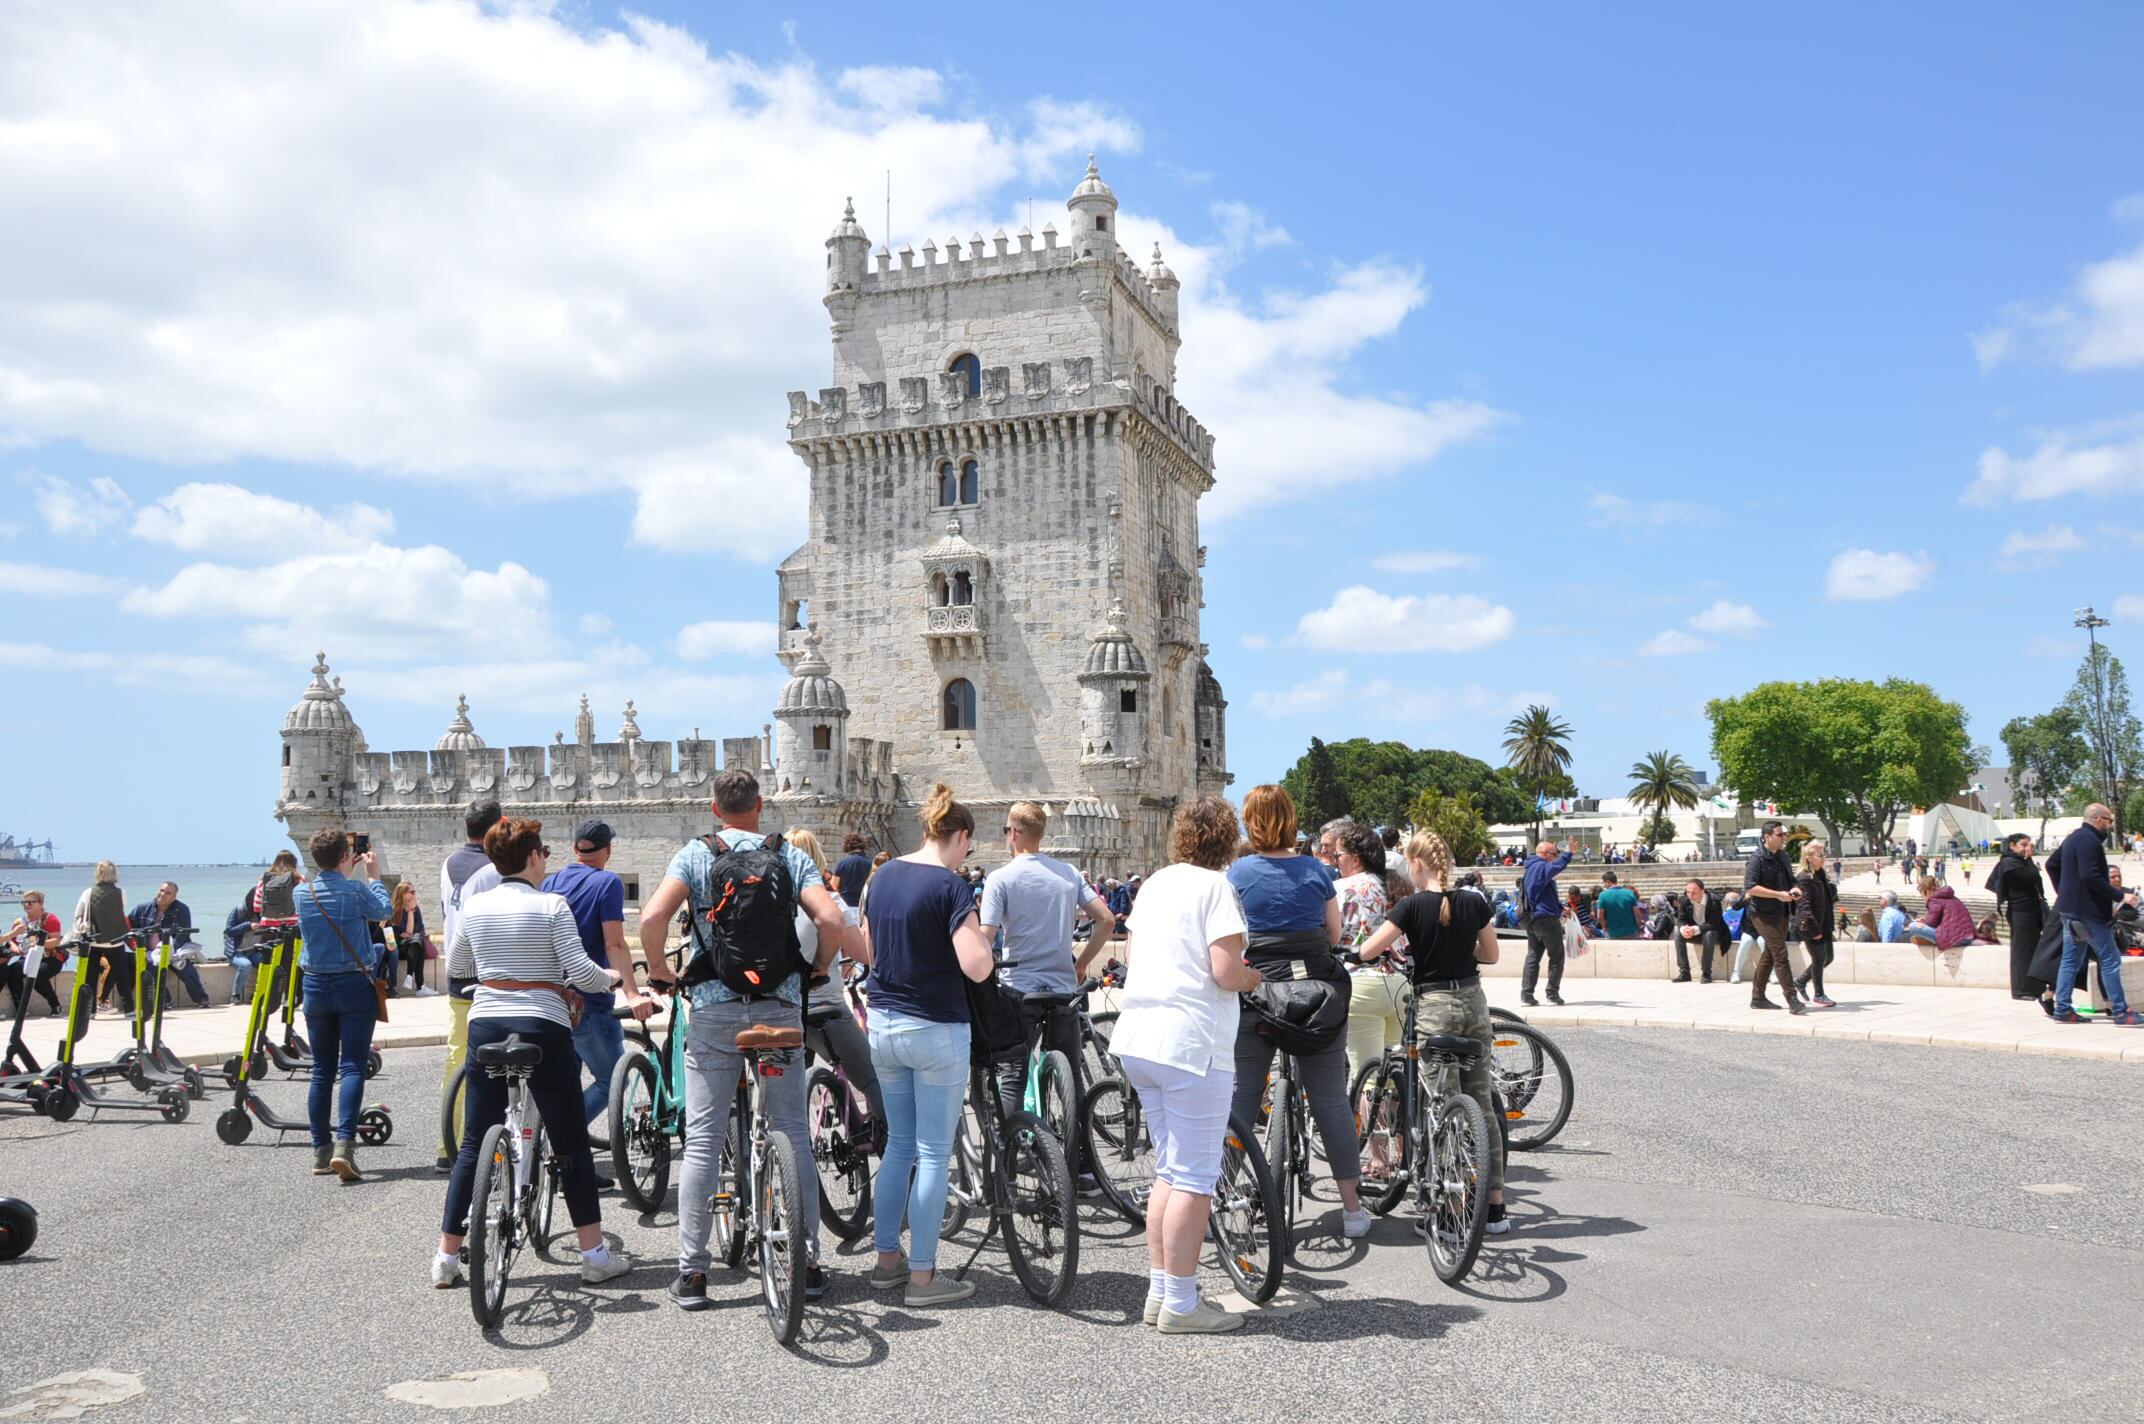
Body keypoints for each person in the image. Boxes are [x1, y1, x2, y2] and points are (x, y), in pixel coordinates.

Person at [641, 769, 847, 1310]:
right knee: (792, 1134)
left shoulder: (696, 854)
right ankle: (807, 1263)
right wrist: (819, 969)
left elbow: (652, 916)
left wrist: (662, 972)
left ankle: (692, 1274)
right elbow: (829, 917)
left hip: (713, 1008)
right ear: (760, 805)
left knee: (704, 1140)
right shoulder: (788, 854)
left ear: (715, 808)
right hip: (779, 1010)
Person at [434, 816, 631, 1289]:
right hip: (541, 1025)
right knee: (570, 1144)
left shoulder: (478, 906)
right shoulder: (551, 906)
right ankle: (594, 1255)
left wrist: (498, 967)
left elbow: (458, 965)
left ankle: (445, 1258)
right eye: (542, 850)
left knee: (472, 1144)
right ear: (534, 856)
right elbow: (581, 972)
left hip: (487, 1025)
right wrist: (613, 980)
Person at [1108, 795, 1261, 1335]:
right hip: (1191, 1043)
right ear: (1224, 839)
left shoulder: (1153, 884)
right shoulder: (1215, 887)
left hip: (1140, 1036)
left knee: (1169, 1170)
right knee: (1195, 1178)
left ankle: (1162, 1289)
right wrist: (1252, 978)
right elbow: (1224, 971)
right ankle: (1181, 1302)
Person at [847, 782, 994, 1307]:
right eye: (969, 847)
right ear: (961, 837)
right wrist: (984, 943)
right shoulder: (952, 888)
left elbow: (866, 945)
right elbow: (976, 966)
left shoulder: (882, 876)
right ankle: (925, 1278)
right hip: (935, 1027)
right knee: (934, 1151)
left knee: (900, 1146)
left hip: (883, 1024)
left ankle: (888, 1261)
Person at [1225, 785, 1369, 1238]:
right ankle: (1352, 1209)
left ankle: (1221, 1196)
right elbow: (1332, 933)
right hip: (1315, 995)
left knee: (1241, 1099)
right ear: (1291, 820)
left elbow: (1232, 937)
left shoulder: (1237, 873)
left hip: (1258, 995)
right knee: (1329, 1099)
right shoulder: (1316, 871)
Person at [1357, 828, 1511, 1239]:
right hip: (1474, 1004)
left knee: (1444, 1107)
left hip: (1435, 1007)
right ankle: (1495, 1206)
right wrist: (1461, 948)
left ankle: (1450, 1212)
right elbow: (1491, 955)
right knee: (1480, 1103)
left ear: (1417, 863)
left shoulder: (1410, 907)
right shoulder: (1474, 902)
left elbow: (1368, 950)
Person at [979, 802, 1115, 1177]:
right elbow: (1105, 919)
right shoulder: (1068, 873)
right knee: (1070, 1076)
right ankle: (1081, 1165)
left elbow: (986, 937)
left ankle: (1012, 1157)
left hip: (1018, 990)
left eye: (1007, 830)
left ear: (1016, 833)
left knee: (1011, 1075)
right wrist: (1082, 962)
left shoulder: (1001, 878)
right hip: (1060, 989)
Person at [293, 828, 392, 1180]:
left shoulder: (300, 894)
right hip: (353, 984)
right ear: (344, 857)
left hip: (316, 985)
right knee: (351, 1066)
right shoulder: (354, 890)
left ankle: (320, 1151)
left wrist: (342, 871)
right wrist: (374, 877)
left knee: (322, 1070)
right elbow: (384, 910)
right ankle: (345, 1146)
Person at [541, 819, 646, 1140]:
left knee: (566, 1086)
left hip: (555, 1001)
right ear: (608, 850)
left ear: (575, 848)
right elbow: (613, 943)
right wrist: (632, 993)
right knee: (611, 1082)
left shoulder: (549, 883)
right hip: (590, 1000)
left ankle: (565, 1161)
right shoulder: (608, 883)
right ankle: (559, 1138)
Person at [791, 827, 883, 1134]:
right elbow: (863, 954)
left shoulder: (770, 903)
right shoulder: (830, 902)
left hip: (782, 1010)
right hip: (824, 1007)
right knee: (872, 1075)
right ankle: (898, 1152)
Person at [436, 798, 504, 1173]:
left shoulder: (447, 865)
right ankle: (474, 1146)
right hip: (486, 977)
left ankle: (447, 1144)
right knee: (490, 1066)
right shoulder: (494, 869)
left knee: (456, 1058)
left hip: (454, 975)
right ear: (497, 826)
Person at [2045, 804, 2139, 1025]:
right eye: (2109, 821)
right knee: (2111, 959)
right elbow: (2091, 876)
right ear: (2098, 819)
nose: (2109, 825)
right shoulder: (2090, 841)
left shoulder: (2073, 838)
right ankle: (2120, 1011)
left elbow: (2051, 864)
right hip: (2088, 913)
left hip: (2069, 910)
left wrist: (2065, 891)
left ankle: (2063, 1009)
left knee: (2071, 960)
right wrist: (2120, 896)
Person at [1334, 824, 1408, 1085]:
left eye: (1338, 856)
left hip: (1360, 983)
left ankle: (1371, 1126)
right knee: (1389, 1076)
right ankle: (1397, 1125)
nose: (1335, 861)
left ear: (1355, 858)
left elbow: (1332, 936)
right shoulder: (1395, 886)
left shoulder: (1341, 889)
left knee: (1366, 1078)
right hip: (1399, 983)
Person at [1741, 821, 1808, 1015]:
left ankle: (1758, 997)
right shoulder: (1756, 859)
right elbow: (1751, 888)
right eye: (1780, 834)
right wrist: (1778, 894)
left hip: (1781, 912)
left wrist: (1795, 888)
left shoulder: (1784, 856)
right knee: (1780, 953)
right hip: (1762, 914)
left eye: (1783, 834)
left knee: (1770, 955)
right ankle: (1792, 998)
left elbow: (1791, 880)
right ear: (1767, 836)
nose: (1784, 837)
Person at [1986, 834, 2048, 1002]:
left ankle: (2035, 987)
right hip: (2021, 912)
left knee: (2033, 949)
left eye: (2029, 844)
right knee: (2022, 951)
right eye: (2023, 844)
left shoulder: (2018, 862)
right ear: (2012, 846)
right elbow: (2032, 876)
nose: (2027, 848)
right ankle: (2021, 989)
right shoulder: (2010, 863)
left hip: (2031, 909)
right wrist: (2029, 860)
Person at [1519, 838, 1577, 1008]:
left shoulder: (1531, 867)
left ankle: (1527, 995)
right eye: (1554, 853)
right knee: (1557, 957)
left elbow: (1541, 895)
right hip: (1546, 920)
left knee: (1533, 956)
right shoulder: (1540, 866)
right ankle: (1552, 994)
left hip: (1532, 919)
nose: (1555, 857)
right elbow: (1555, 867)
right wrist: (1568, 854)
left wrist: (1559, 908)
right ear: (1545, 854)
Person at [72, 860, 132, 1025]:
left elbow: (78, 913)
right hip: (116, 940)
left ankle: (89, 1011)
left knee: (90, 976)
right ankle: (129, 1009)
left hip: (94, 939)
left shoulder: (88, 893)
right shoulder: (121, 893)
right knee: (122, 975)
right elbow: (121, 911)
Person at [3, 891, 65, 1017]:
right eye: (24, 902)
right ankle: (21, 1008)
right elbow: (10, 939)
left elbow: (55, 941)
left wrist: (38, 943)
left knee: (37, 973)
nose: (26, 905)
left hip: (49, 958)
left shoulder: (50, 919)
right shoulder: (19, 922)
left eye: (30, 902)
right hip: (27, 957)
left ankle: (55, 1005)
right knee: (12, 971)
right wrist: (14, 947)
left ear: (41, 904)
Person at [1791, 844, 1838, 1007]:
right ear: (1808, 858)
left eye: (1824, 854)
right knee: (1819, 958)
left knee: (1828, 957)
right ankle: (1819, 994)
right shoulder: (1804, 878)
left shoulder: (1821, 874)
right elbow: (1804, 906)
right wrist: (1814, 929)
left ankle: (1801, 981)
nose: (1823, 858)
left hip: (1825, 923)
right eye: (1819, 855)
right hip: (1811, 925)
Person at [1904, 875, 1981, 950]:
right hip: (1968, 937)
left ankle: (1932, 941)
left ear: (1927, 890)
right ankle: (1931, 940)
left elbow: (1931, 923)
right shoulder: (1950, 897)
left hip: (1955, 939)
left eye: (1922, 894)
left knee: (1912, 926)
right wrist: (1925, 921)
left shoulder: (1934, 900)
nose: (1923, 897)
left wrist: (1923, 923)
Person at [1673, 878, 1727, 982]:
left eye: (1694, 893)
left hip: (1713, 933)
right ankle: (1684, 972)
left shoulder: (1714, 902)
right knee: (1677, 931)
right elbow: (1681, 919)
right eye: (1688, 892)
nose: (1690, 895)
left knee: (1709, 934)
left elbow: (1714, 924)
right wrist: (1684, 929)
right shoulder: (1684, 900)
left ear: (1703, 891)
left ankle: (1706, 974)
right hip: (1694, 933)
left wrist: (1695, 929)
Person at [386, 881, 432, 996]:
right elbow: (391, 933)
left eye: (414, 891)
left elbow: (419, 930)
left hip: (413, 946)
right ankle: (420, 987)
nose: (414, 894)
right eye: (411, 892)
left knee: (417, 941)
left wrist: (411, 911)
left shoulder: (416, 909)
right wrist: (401, 933)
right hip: (398, 947)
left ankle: (409, 976)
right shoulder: (393, 910)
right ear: (402, 894)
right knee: (417, 943)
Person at [222, 896, 261, 1005]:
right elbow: (229, 931)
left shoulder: (264, 914)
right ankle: (236, 995)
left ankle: (257, 994)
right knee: (245, 965)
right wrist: (248, 925)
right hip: (237, 952)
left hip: (255, 951)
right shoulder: (238, 910)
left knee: (269, 964)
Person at [1594, 871, 1639, 939]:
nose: (1604, 885)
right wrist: (1637, 929)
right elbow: (1637, 915)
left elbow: (1600, 917)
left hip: (1613, 933)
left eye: (1604, 883)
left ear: (1608, 881)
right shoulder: (1630, 893)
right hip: (1631, 932)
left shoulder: (1603, 895)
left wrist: (1605, 928)